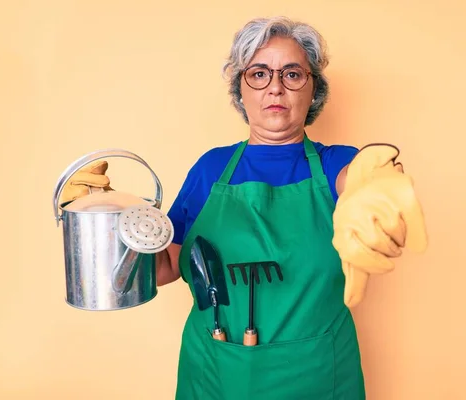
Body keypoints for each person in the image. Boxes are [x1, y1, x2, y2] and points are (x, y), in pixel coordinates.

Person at [60, 16, 427, 400]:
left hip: (318, 377)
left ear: (313, 90)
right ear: (241, 90)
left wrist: (377, 183)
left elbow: (366, 178)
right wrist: (107, 219)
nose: (275, 87)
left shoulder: (338, 166)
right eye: (259, 73)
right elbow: (166, 265)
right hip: (216, 376)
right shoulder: (210, 170)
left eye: (292, 74)